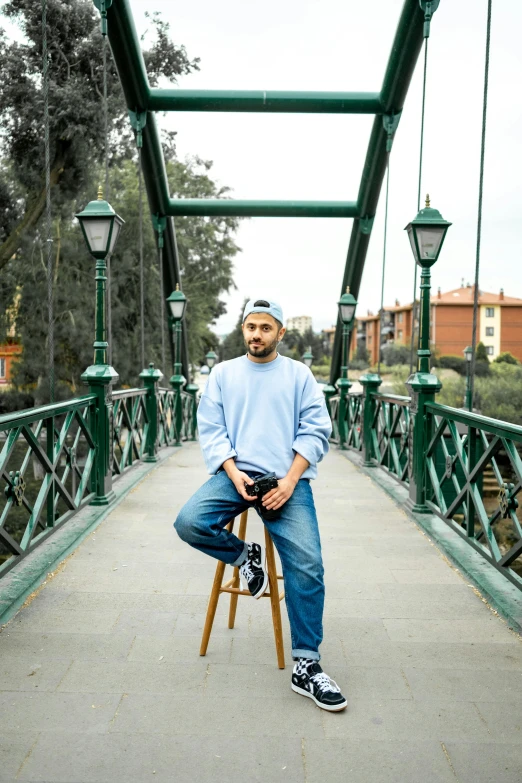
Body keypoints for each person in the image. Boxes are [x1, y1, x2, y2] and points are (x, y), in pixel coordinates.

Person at [174, 298, 347, 712]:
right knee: (189, 521)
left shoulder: (299, 375)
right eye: (251, 326)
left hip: (286, 482)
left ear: (281, 333)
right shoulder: (223, 374)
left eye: (265, 328)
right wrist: (234, 474)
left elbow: (317, 431)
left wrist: (290, 481)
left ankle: (307, 665)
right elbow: (212, 430)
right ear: (243, 329)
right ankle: (245, 557)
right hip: (235, 476)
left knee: (308, 565)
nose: (256, 334)